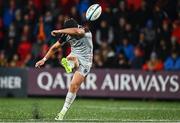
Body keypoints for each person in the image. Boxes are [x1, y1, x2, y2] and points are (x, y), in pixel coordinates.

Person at [35, 18, 93, 120]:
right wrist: (44, 59)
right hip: (75, 54)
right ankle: (70, 64)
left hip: (86, 61)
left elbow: (76, 31)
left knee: (74, 85)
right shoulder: (66, 35)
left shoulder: (84, 30)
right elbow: (54, 48)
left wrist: (59, 31)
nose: (69, 35)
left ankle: (71, 64)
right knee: (72, 80)